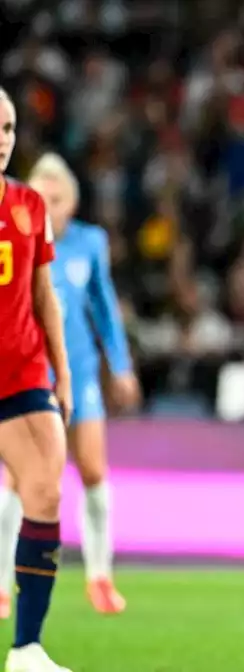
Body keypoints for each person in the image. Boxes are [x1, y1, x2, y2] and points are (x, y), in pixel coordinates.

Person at [0, 153, 139, 619]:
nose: (48, 206)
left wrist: (119, 366)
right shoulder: (12, 239)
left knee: (94, 471)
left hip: (79, 374)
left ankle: (100, 576)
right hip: (26, 374)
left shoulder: (89, 243)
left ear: (72, 203)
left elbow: (104, 309)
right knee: (20, 479)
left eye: (56, 199)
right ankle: (2, 583)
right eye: (40, 197)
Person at [0, 87, 74, 672]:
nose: (2, 140)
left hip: (22, 370)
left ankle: (26, 648)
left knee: (46, 493)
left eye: (8, 128)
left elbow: (44, 295)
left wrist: (64, 374)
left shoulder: (28, 204)